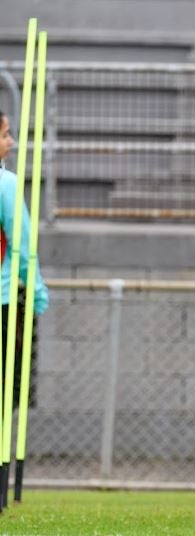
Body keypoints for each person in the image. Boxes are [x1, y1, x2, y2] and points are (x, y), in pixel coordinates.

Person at [0, 109, 49, 410]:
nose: (12, 141)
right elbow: (23, 245)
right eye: (5, 134)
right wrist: (37, 291)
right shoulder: (6, 185)